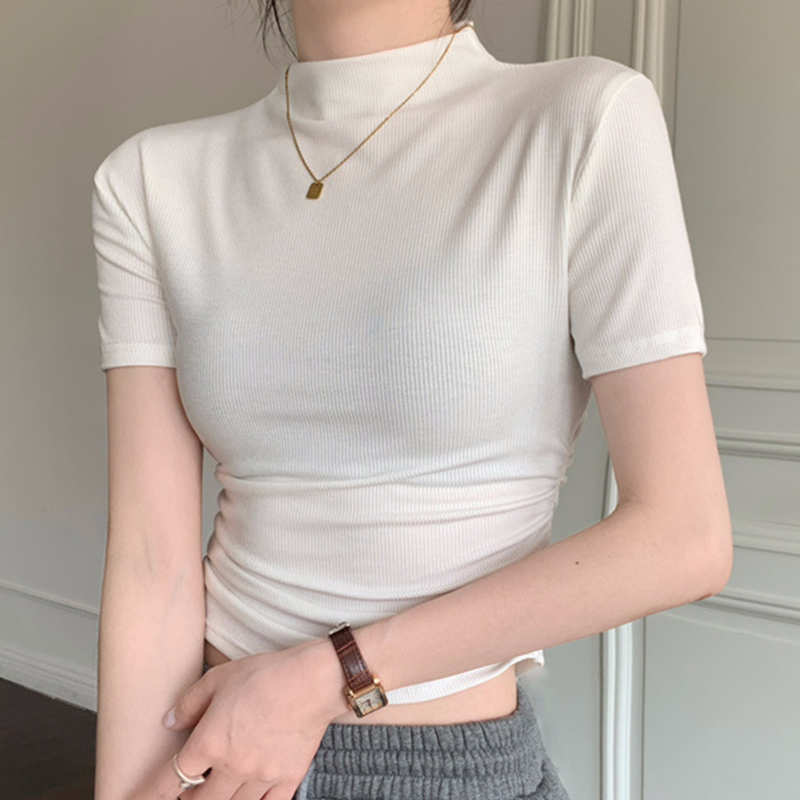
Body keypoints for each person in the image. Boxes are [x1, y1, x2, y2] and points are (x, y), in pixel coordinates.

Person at [90, 1, 733, 799]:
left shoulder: (583, 118)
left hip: (446, 769)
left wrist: (327, 676)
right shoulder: (149, 180)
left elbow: (684, 537)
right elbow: (150, 563)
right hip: (213, 755)